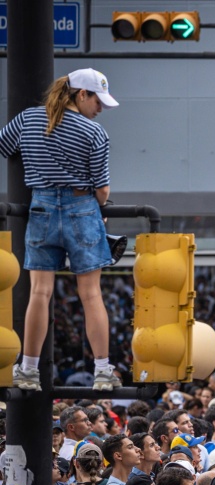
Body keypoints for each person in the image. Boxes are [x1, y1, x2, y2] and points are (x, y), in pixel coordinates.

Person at [0, 68, 121, 392]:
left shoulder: (29, 119)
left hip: (40, 208)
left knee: (40, 293)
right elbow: (103, 190)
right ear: (81, 94)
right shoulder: (94, 133)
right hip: (82, 208)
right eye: (98, 101)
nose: (101, 109)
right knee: (91, 294)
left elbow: (5, 145)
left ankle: (27, 370)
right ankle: (102, 372)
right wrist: (98, 212)